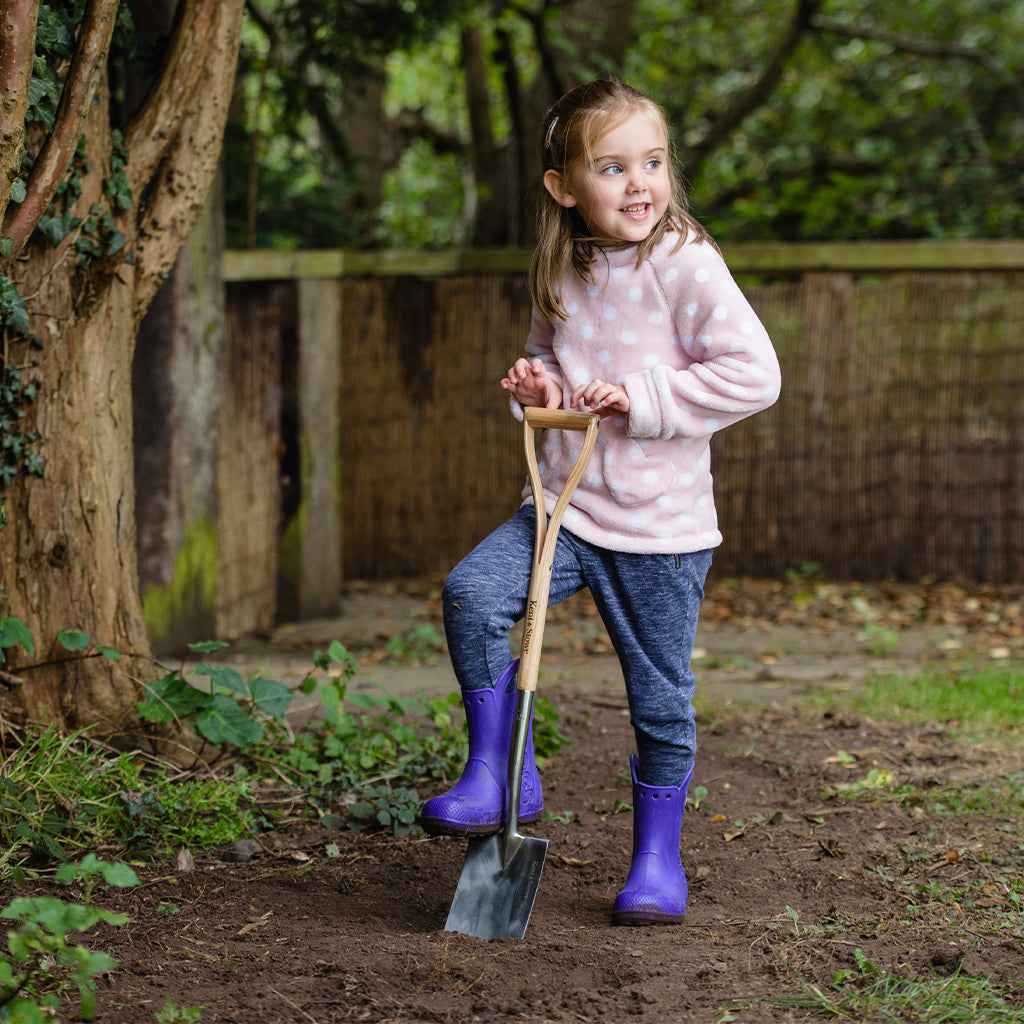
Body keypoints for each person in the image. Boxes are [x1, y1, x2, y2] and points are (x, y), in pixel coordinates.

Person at [421, 76, 781, 925]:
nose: (640, 184)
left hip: (659, 528)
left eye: (652, 162)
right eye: (613, 168)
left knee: (659, 702)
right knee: (472, 595)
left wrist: (641, 397)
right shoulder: (564, 263)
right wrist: (535, 382)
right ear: (563, 187)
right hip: (566, 506)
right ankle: (500, 770)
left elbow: (755, 375)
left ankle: (657, 861)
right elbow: (551, 367)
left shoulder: (684, 262)